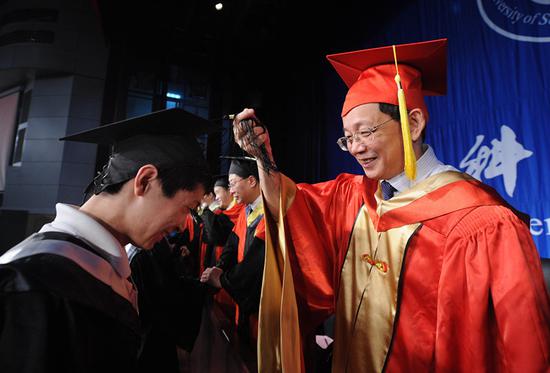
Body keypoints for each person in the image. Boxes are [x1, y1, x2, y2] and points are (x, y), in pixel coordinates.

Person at [232, 39, 550, 372]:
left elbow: (522, 347)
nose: (355, 148)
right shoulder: (356, 197)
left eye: (365, 132)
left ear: (413, 124)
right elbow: (292, 207)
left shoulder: (480, 220)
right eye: (347, 137)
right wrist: (263, 158)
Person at [0, 108, 214, 373]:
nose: (184, 224)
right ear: (145, 181)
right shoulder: (31, 281)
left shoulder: (104, 266)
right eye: (188, 208)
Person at [200, 157, 265, 346]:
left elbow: (255, 263)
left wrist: (223, 280)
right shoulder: (247, 213)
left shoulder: (270, 213)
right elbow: (231, 246)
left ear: (251, 181)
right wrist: (218, 269)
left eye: (233, 184)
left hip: (262, 299)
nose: (231, 190)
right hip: (243, 294)